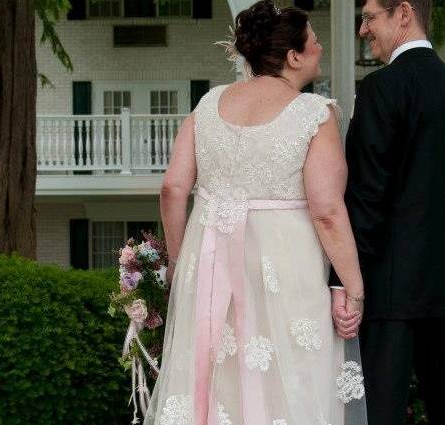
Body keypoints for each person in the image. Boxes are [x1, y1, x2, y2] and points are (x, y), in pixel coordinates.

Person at [145, 2, 368, 424]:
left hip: (210, 267)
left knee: (218, 379)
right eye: (315, 43)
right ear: (293, 57)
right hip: (287, 269)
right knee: (290, 379)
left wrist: (178, 262)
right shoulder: (314, 114)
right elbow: (327, 210)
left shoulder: (208, 104)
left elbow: (173, 189)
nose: (320, 49)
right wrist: (353, 287)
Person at [329, 1, 445, 424]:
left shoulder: (381, 90)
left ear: (403, 13)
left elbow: (366, 197)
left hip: (388, 292)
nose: (363, 30)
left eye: (368, 17)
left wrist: (343, 281)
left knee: (378, 413)